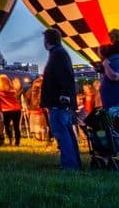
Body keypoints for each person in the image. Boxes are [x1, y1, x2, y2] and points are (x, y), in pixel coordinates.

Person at [41, 28, 81, 170]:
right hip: (60, 102)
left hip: (58, 103)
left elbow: (65, 76)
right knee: (67, 132)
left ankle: (69, 164)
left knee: (62, 133)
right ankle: (73, 161)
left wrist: (64, 95)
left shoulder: (57, 55)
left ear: (47, 41)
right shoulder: (59, 53)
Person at [0, 74, 22, 146]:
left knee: (6, 126)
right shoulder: (11, 87)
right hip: (16, 109)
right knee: (16, 127)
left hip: (6, 110)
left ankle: (10, 139)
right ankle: (17, 142)